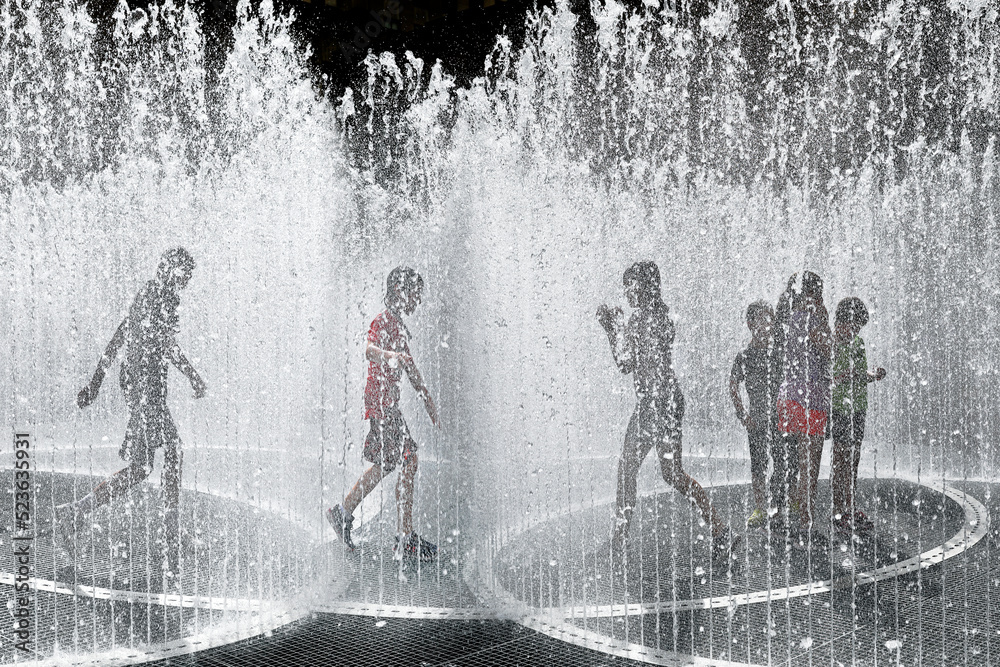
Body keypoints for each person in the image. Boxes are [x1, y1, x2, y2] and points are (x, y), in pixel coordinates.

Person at [66, 247, 206, 586]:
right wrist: (191, 375)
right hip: (144, 388)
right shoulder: (154, 297)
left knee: (144, 466)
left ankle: (80, 512)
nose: (185, 283)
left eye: (188, 278)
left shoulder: (156, 295)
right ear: (169, 270)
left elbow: (131, 338)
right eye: (182, 275)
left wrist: (96, 383)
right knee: (171, 453)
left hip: (144, 386)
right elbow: (141, 339)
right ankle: (169, 533)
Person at [597, 261, 738, 567]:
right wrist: (617, 328)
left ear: (644, 287)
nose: (627, 292)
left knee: (629, 470)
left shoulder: (644, 319)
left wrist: (611, 329)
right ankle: (720, 530)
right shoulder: (656, 316)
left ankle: (620, 540)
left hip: (655, 405)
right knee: (670, 473)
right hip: (665, 402)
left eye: (631, 286)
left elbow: (625, 362)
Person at [326, 267, 441, 561]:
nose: (418, 300)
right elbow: (369, 350)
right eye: (415, 294)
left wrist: (427, 398)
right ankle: (404, 539)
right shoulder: (383, 321)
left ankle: (344, 513)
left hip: (386, 404)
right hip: (381, 405)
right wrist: (390, 356)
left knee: (387, 464)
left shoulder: (398, 326)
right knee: (407, 460)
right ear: (400, 292)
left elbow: (410, 366)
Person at [776, 271, 832, 532]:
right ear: (815, 294)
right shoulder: (813, 319)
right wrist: (825, 322)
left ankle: (785, 514)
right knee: (809, 465)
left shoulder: (788, 318)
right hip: (811, 400)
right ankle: (805, 521)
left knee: (791, 462)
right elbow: (829, 350)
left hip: (788, 397)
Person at [729, 299, 791, 528]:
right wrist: (742, 414)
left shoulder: (779, 351)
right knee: (758, 465)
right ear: (750, 324)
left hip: (780, 418)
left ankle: (778, 504)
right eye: (761, 320)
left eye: (769, 320)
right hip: (756, 419)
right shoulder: (745, 356)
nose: (766, 325)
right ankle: (760, 508)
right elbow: (733, 385)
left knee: (782, 463)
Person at [830, 297, 886, 534]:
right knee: (840, 460)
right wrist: (848, 375)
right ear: (840, 321)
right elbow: (828, 380)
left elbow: (860, 374)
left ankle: (850, 508)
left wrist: (873, 375)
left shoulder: (858, 343)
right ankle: (837, 512)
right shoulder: (831, 344)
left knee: (853, 460)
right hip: (839, 409)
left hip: (858, 408)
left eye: (858, 328)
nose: (855, 332)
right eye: (852, 326)